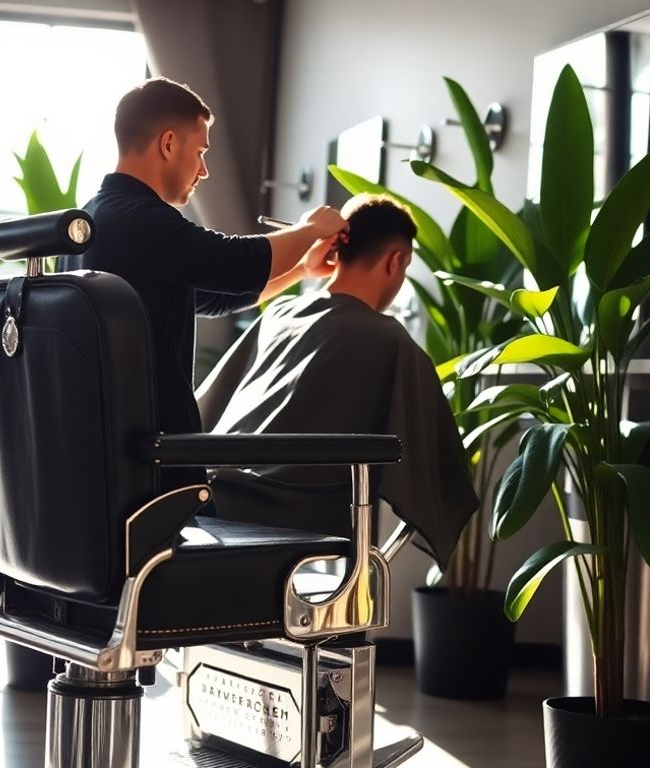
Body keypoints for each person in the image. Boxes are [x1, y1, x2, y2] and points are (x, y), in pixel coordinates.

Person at [62, 76, 346, 491]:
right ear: (169, 143)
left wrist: (302, 268)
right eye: (200, 152)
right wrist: (310, 229)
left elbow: (214, 297)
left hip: (113, 458)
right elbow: (236, 262)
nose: (204, 170)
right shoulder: (144, 221)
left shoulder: (94, 221)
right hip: (151, 468)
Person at [196, 194, 477, 567]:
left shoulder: (281, 313)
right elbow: (441, 473)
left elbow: (205, 409)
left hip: (212, 504)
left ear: (335, 250)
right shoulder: (387, 339)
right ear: (395, 262)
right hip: (293, 524)